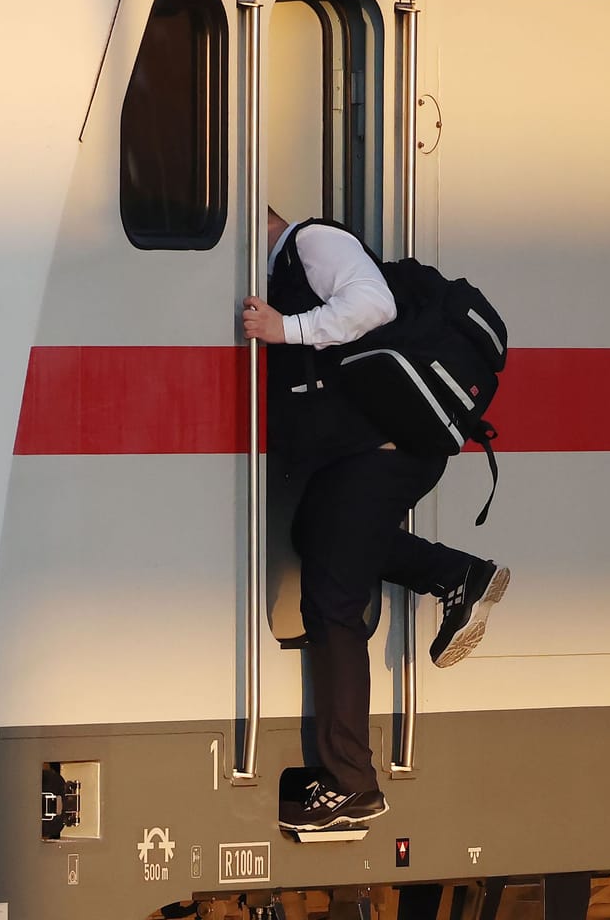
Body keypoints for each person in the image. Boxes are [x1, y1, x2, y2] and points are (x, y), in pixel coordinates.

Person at [242, 208, 510, 834]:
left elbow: (373, 306)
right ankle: (460, 576)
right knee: (316, 534)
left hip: (385, 452)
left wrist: (286, 328)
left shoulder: (311, 241)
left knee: (334, 599)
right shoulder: (295, 257)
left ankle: (350, 786)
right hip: (372, 450)